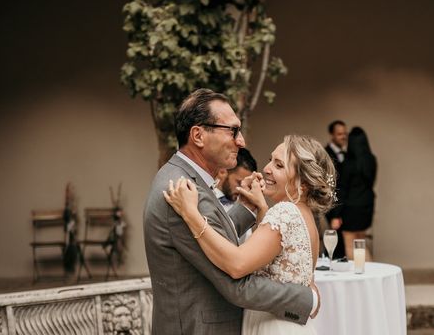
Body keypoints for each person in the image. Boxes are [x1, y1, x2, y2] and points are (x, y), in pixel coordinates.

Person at [143, 89, 318, 335]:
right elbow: (236, 283)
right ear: (198, 135)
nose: (241, 141)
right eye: (233, 130)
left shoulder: (183, 179)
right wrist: (307, 298)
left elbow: (214, 238)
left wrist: (246, 208)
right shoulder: (182, 191)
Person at [165, 134, 336, 335]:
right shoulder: (305, 216)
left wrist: (191, 215)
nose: (266, 169)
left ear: (303, 184)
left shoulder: (286, 213)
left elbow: (237, 265)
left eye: (279, 165)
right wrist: (261, 207)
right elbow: (275, 257)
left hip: (272, 326)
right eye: (270, 160)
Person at [338, 126, 376, 261]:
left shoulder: (348, 163)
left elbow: (342, 189)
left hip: (351, 208)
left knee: (350, 245)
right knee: (360, 242)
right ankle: (370, 275)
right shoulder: (371, 160)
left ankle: (363, 276)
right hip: (367, 206)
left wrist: (336, 213)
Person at [324, 120, 347, 259]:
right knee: (334, 245)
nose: (343, 137)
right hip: (334, 207)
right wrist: (335, 214)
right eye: (339, 134)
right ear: (332, 135)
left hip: (343, 207)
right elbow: (330, 186)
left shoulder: (346, 154)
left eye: (345, 134)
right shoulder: (327, 155)